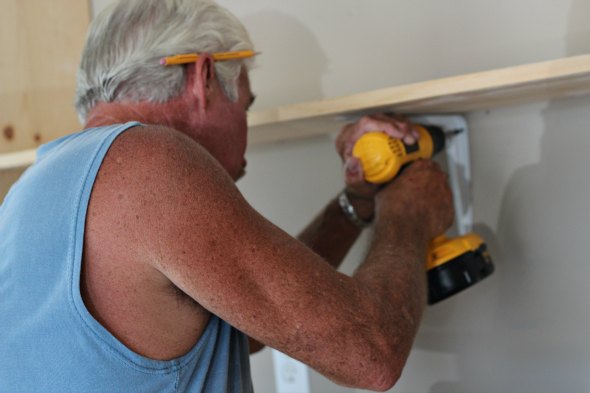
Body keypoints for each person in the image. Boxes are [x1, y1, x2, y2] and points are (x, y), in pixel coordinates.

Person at [0, 0, 453, 391]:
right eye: (246, 105)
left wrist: (355, 203)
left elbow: (248, 322)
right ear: (204, 79)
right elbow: (370, 353)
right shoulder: (147, 164)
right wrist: (408, 211)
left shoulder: (27, 194)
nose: (245, 135)